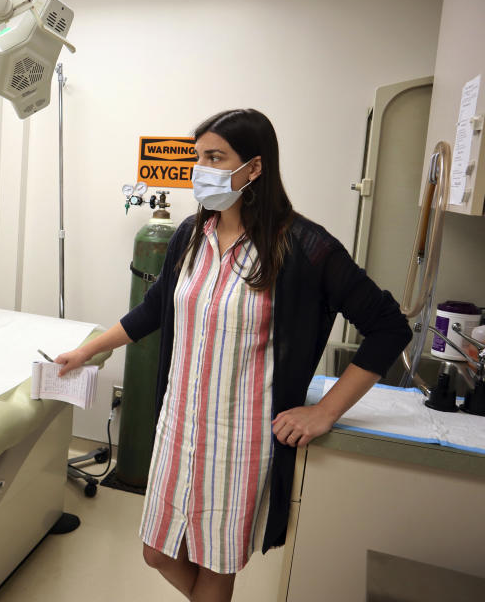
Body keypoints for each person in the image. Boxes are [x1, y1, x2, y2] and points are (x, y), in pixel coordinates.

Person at [55, 109, 412, 602]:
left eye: (216, 157)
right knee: (156, 553)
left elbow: (389, 328)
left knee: (215, 569)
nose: (201, 169)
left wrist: (325, 412)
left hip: (239, 444)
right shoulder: (190, 236)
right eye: (198, 157)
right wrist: (86, 351)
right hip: (177, 429)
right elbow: (155, 309)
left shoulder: (305, 247)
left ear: (255, 168)